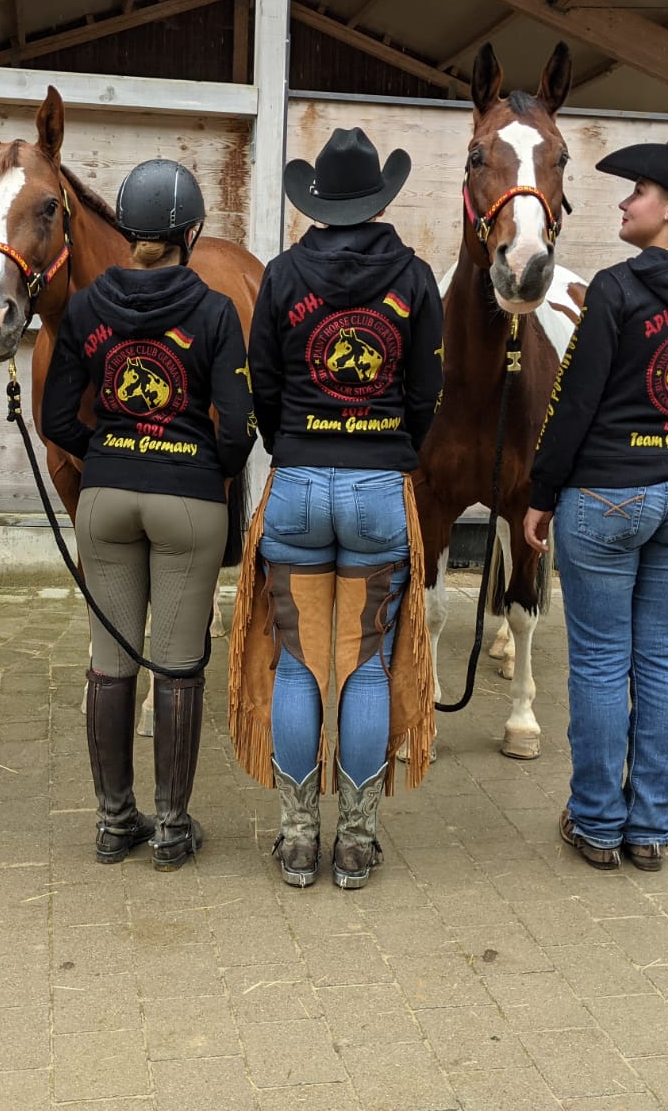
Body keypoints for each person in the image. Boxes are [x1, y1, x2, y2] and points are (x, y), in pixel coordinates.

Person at [522, 135, 668, 872]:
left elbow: (573, 404)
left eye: (639, 191)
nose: (624, 202)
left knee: (598, 661)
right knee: (665, 658)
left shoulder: (616, 290)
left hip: (608, 496)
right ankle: (649, 828)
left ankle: (596, 825)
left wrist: (542, 493)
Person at [229, 128, 443, 890]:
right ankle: (355, 844)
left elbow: (261, 379)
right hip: (378, 489)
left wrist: (291, 440)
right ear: (378, 199)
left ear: (316, 201)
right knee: (364, 667)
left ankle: (296, 841)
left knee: (297, 663)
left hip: (296, 484)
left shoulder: (285, 274)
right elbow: (426, 392)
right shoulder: (414, 278)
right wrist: (393, 446)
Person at [41, 158, 254, 871]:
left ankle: (112, 823)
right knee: (178, 664)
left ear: (128, 231)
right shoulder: (215, 311)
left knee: (109, 664)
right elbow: (236, 428)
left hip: (105, 498)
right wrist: (204, 464)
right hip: (187, 498)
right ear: (190, 234)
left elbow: (55, 419)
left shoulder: (84, 310)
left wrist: (105, 454)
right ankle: (170, 827)